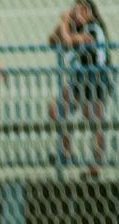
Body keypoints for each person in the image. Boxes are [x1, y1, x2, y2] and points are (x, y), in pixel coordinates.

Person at [48, 0, 113, 177]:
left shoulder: (93, 28)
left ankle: (95, 166)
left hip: (95, 80)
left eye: (80, 11)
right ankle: (66, 151)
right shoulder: (74, 27)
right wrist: (63, 22)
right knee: (56, 110)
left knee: (95, 121)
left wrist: (64, 24)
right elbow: (53, 41)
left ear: (89, 12)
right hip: (78, 80)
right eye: (75, 11)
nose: (77, 14)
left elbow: (70, 42)